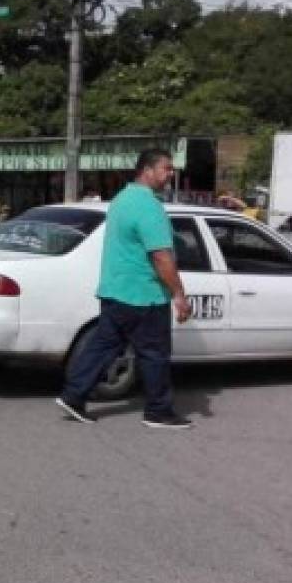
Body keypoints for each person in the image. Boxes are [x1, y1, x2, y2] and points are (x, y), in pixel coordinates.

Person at [55, 148, 195, 430]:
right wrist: (179, 294)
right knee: (154, 353)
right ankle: (158, 411)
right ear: (148, 170)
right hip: (143, 294)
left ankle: (74, 395)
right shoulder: (148, 206)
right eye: (166, 169)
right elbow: (161, 255)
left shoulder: (121, 199)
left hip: (115, 290)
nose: (171, 174)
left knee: (104, 345)